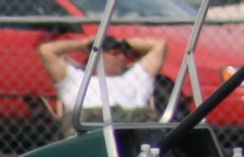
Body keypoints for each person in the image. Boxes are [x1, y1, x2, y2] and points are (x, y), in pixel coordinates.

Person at [37, 31, 166, 125]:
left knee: (143, 115)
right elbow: (45, 50)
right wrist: (84, 43)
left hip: (127, 125)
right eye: (115, 52)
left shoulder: (136, 77)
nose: (123, 56)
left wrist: (123, 42)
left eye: (123, 52)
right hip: (89, 125)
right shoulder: (75, 78)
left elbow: (160, 45)